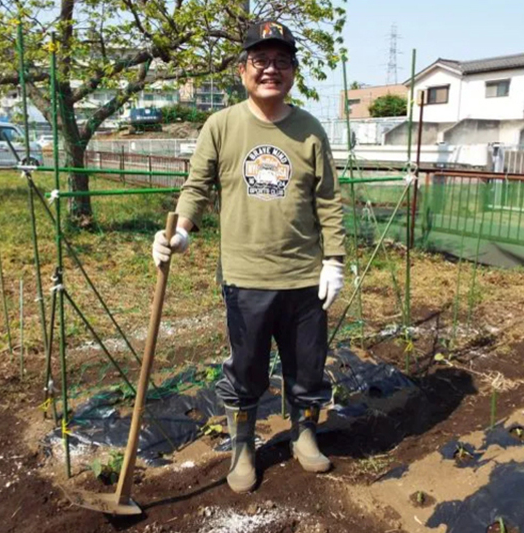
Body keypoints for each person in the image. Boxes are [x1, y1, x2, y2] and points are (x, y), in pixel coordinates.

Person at [151, 20, 346, 494]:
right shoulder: (222, 126)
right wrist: (179, 233)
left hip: (303, 276)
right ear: (242, 71)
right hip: (246, 276)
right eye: (260, 61)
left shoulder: (310, 130)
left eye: (281, 61)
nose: (270, 70)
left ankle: (303, 433)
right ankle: (243, 446)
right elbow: (196, 189)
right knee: (247, 369)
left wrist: (334, 260)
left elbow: (328, 200)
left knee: (307, 366)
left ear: (294, 72)